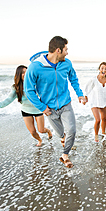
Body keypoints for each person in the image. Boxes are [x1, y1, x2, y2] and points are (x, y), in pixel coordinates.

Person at [24, 36, 86, 168]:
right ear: (58, 50)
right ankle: (63, 139)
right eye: (65, 50)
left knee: (72, 130)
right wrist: (42, 108)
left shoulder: (66, 63)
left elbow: (73, 79)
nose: (67, 53)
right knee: (60, 133)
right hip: (49, 108)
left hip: (65, 104)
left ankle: (65, 155)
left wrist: (80, 94)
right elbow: (29, 90)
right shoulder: (35, 67)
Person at [0, 65, 52, 147]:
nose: (25, 74)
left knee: (41, 130)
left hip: (38, 110)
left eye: (26, 72)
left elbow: (44, 95)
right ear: (18, 75)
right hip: (26, 111)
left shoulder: (35, 84)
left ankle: (48, 131)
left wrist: (46, 107)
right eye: (23, 73)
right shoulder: (16, 87)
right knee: (32, 132)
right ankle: (39, 140)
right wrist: (0, 105)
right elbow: (9, 99)